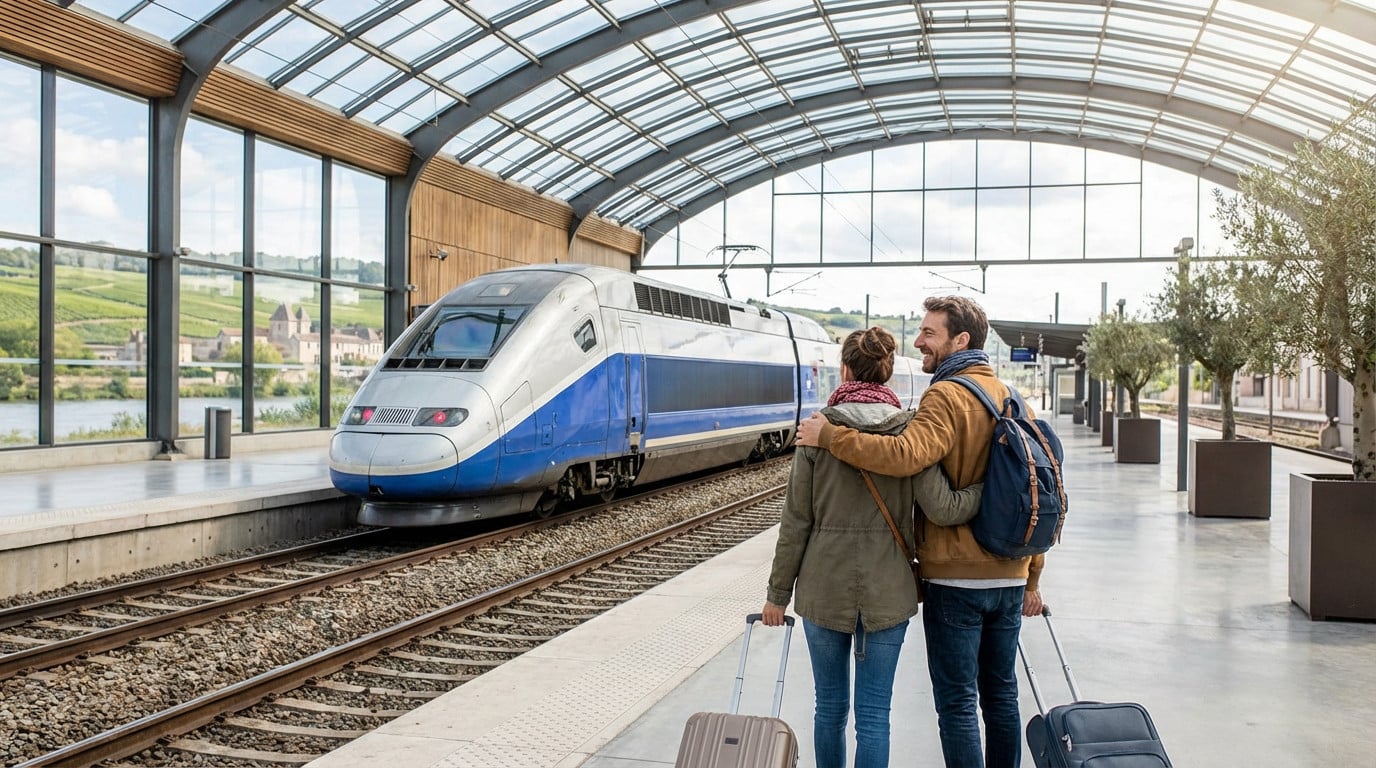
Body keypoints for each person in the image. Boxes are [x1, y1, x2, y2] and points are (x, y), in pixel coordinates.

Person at [796, 298, 1047, 768]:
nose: (918, 340)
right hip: (1011, 574)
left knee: (957, 705)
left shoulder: (946, 395)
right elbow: (1035, 493)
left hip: (957, 576)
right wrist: (1032, 574)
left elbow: (905, 456)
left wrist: (829, 437)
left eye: (929, 333)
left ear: (960, 340)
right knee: (1001, 697)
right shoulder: (1012, 397)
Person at [762, 326, 982, 768]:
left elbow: (796, 523)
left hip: (822, 588)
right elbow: (941, 508)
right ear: (888, 372)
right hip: (888, 593)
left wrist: (776, 596)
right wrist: (983, 491)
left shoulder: (815, 431)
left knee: (829, 709)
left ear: (844, 368)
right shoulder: (908, 434)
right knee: (874, 716)